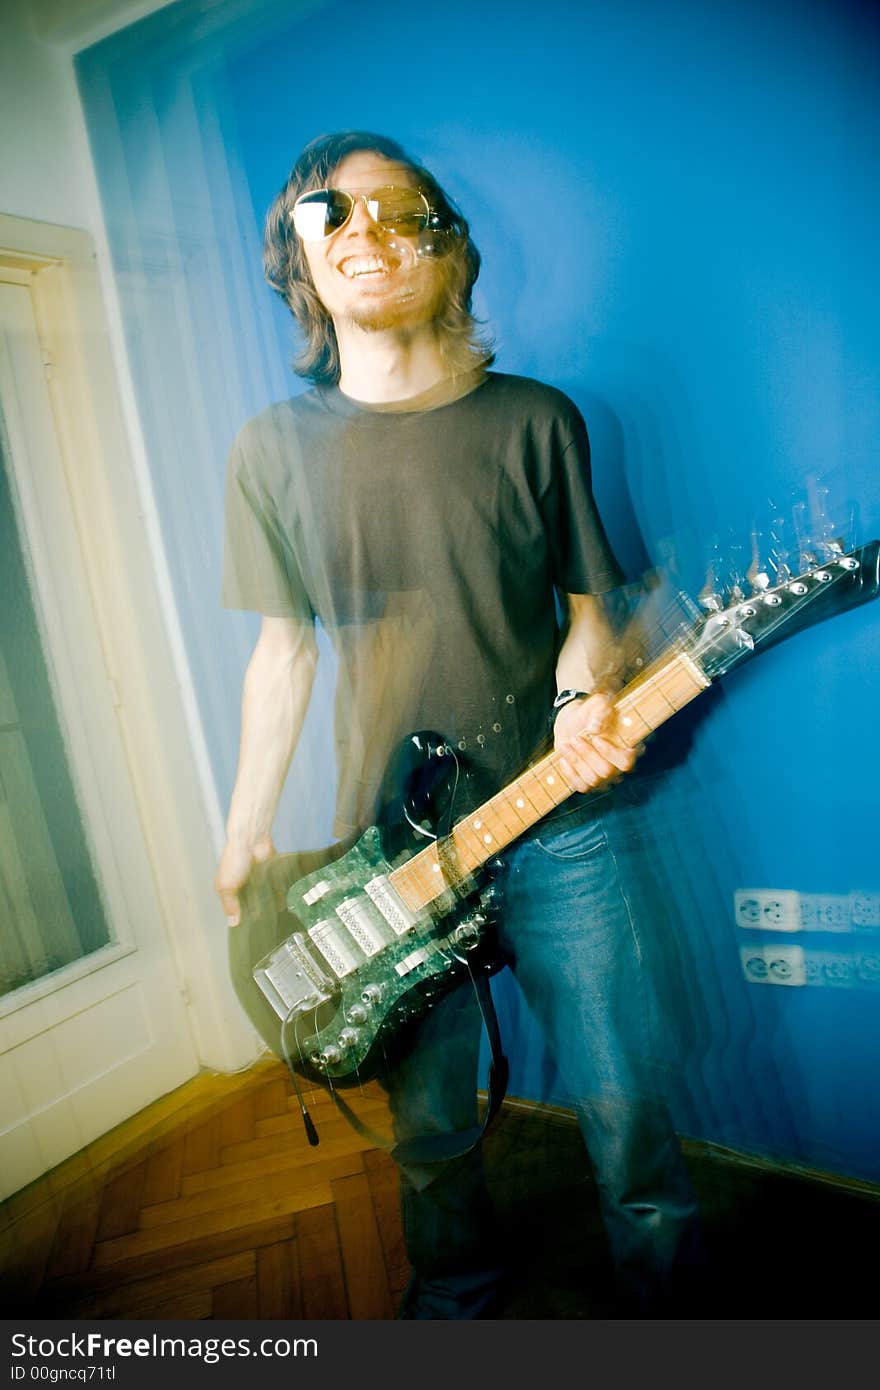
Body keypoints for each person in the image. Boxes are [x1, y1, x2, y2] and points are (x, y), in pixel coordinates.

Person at [216, 130, 704, 1318]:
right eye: (329, 215)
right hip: (389, 853)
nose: (365, 231)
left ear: (449, 250)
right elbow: (281, 656)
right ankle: (455, 1311)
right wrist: (242, 832)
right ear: (301, 265)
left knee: (627, 1110)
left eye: (399, 210)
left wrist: (586, 696)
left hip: (560, 825)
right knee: (429, 1129)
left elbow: (595, 611)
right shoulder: (268, 452)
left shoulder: (539, 418)